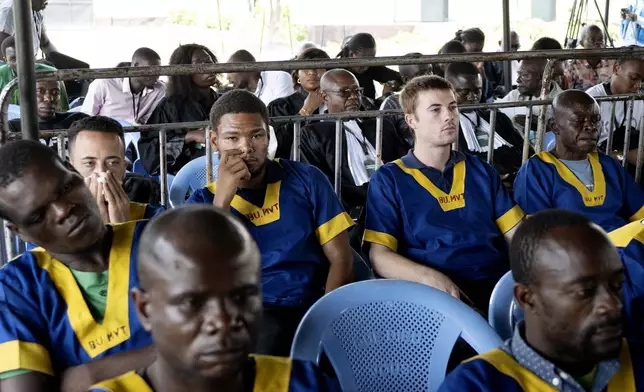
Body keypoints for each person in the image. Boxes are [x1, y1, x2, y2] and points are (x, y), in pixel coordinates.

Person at [88, 205, 341, 392]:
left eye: (242, 296)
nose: (222, 320)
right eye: (192, 303)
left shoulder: (303, 385)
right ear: (145, 310)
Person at [186, 89, 354, 356]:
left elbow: (341, 259)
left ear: (268, 136)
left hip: (313, 302)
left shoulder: (306, 179)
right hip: (246, 314)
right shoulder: (200, 203)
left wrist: (325, 317)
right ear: (214, 141)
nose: (246, 148)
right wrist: (224, 198)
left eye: (257, 135)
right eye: (232, 138)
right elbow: (204, 273)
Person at [0, 140, 155, 392]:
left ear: (74, 171)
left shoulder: (163, 238)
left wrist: (88, 374)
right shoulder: (16, 288)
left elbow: (230, 338)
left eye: (65, 188)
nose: (63, 210)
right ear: (19, 232)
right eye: (38, 215)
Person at [363, 75, 525, 313]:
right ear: (411, 120)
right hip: (433, 298)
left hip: (496, 288)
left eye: (452, 107)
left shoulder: (480, 169)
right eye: (435, 110)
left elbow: (517, 233)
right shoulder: (389, 179)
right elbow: (379, 254)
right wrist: (428, 277)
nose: (449, 116)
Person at [439, 209, 644, 391]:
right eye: (584, 291)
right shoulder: (476, 384)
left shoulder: (635, 362)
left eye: (615, 287)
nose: (612, 304)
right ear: (527, 299)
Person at [513, 90, 644, 234]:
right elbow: (537, 237)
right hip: (575, 252)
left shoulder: (608, 165)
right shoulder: (536, 171)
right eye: (578, 120)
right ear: (554, 126)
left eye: (595, 120)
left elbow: (640, 213)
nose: (591, 127)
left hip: (626, 249)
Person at [300, 69, 407, 212]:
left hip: (395, 202)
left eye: (357, 91)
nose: (354, 97)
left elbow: (404, 165)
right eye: (344, 92)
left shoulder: (379, 125)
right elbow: (322, 186)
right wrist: (371, 192)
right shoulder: (314, 134)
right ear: (325, 97)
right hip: (351, 213)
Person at [139, 44, 220, 176]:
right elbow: (150, 155)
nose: (209, 67)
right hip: (187, 178)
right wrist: (188, 137)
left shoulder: (222, 102)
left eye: (209, 61)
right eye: (199, 63)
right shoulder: (170, 106)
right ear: (184, 72)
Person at [445, 62, 528, 188]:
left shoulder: (498, 118)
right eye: (464, 92)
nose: (473, 96)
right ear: (449, 91)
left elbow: (524, 151)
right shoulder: (445, 127)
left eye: (477, 90)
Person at [68, 116, 165, 222]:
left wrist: (122, 227)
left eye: (112, 163)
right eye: (89, 163)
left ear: (124, 167)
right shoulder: (57, 219)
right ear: (71, 169)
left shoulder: (152, 216)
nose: (102, 173)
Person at [268, 47, 330, 159]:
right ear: (298, 75)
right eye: (305, 68)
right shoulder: (280, 106)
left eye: (318, 67)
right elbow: (276, 145)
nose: (311, 72)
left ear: (328, 72)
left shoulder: (338, 101)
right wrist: (306, 111)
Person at [81, 48, 165, 125]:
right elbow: (85, 120)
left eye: (159, 70)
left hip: (140, 137)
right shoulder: (104, 84)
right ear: (136, 65)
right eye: (152, 69)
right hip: (105, 135)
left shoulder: (160, 90)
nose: (157, 75)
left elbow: (152, 120)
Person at [586, 56, 644, 164]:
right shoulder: (591, 99)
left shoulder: (639, 100)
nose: (638, 86)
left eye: (642, 81)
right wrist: (623, 156)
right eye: (634, 78)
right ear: (616, 68)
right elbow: (582, 150)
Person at [497, 58, 563, 135]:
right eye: (518, 74)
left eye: (524, 75)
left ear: (542, 77)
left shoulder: (563, 101)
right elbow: (496, 115)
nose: (517, 80)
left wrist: (543, 127)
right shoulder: (515, 94)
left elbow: (567, 135)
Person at [0, 36, 69, 110]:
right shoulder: (1, 74)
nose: (20, 62)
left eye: (24, 56)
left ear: (33, 55)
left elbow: (62, 110)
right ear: (5, 60)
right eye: (13, 58)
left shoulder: (52, 74)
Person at [380, 52, 432, 149]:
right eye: (421, 73)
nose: (429, 76)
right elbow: (385, 141)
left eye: (430, 71)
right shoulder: (393, 103)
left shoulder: (439, 96)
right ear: (406, 79)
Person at [7, 79, 87, 140]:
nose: (49, 98)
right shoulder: (14, 127)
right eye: (40, 92)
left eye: (55, 92)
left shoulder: (78, 120)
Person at [336, 32, 402, 104]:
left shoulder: (370, 66)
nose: (367, 65)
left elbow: (398, 77)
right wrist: (385, 97)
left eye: (371, 60)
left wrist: (393, 84)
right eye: (364, 60)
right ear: (351, 54)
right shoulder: (335, 72)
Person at [226, 49, 294, 105]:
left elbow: (281, 113)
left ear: (244, 67)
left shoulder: (279, 77)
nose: (227, 77)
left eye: (230, 71)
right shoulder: (241, 94)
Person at [454, 28, 503, 100]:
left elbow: (489, 93)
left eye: (480, 50)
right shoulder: (453, 61)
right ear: (462, 44)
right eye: (475, 50)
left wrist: (482, 74)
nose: (478, 54)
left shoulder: (485, 62)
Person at [562, 25, 614, 91]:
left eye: (600, 40)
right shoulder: (572, 66)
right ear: (582, 43)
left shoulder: (612, 62)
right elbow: (567, 93)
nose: (597, 43)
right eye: (592, 40)